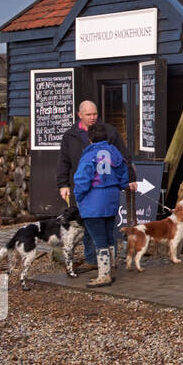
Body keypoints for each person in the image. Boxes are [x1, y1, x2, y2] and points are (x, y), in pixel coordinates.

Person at [56, 100, 137, 271]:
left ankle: (104, 269)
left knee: (100, 229)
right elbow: (63, 160)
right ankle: (97, 261)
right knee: (95, 228)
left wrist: (130, 178)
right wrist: (62, 183)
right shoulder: (70, 135)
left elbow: (124, 157)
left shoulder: (107, 132)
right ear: (79, 115)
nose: (92, 117)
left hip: (92, 191)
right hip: (101, 190)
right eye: (88, 115)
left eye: (94, 114)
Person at [73, 122, 127, 288]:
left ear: (89, 139)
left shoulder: (89, 155)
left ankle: (104, 275)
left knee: (99, 239)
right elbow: (124, 175)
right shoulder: (115, 152)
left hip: (93, 202)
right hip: (111, 200)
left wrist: (78, 196)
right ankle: (111, 269)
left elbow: (82, 179)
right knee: (109, 235)